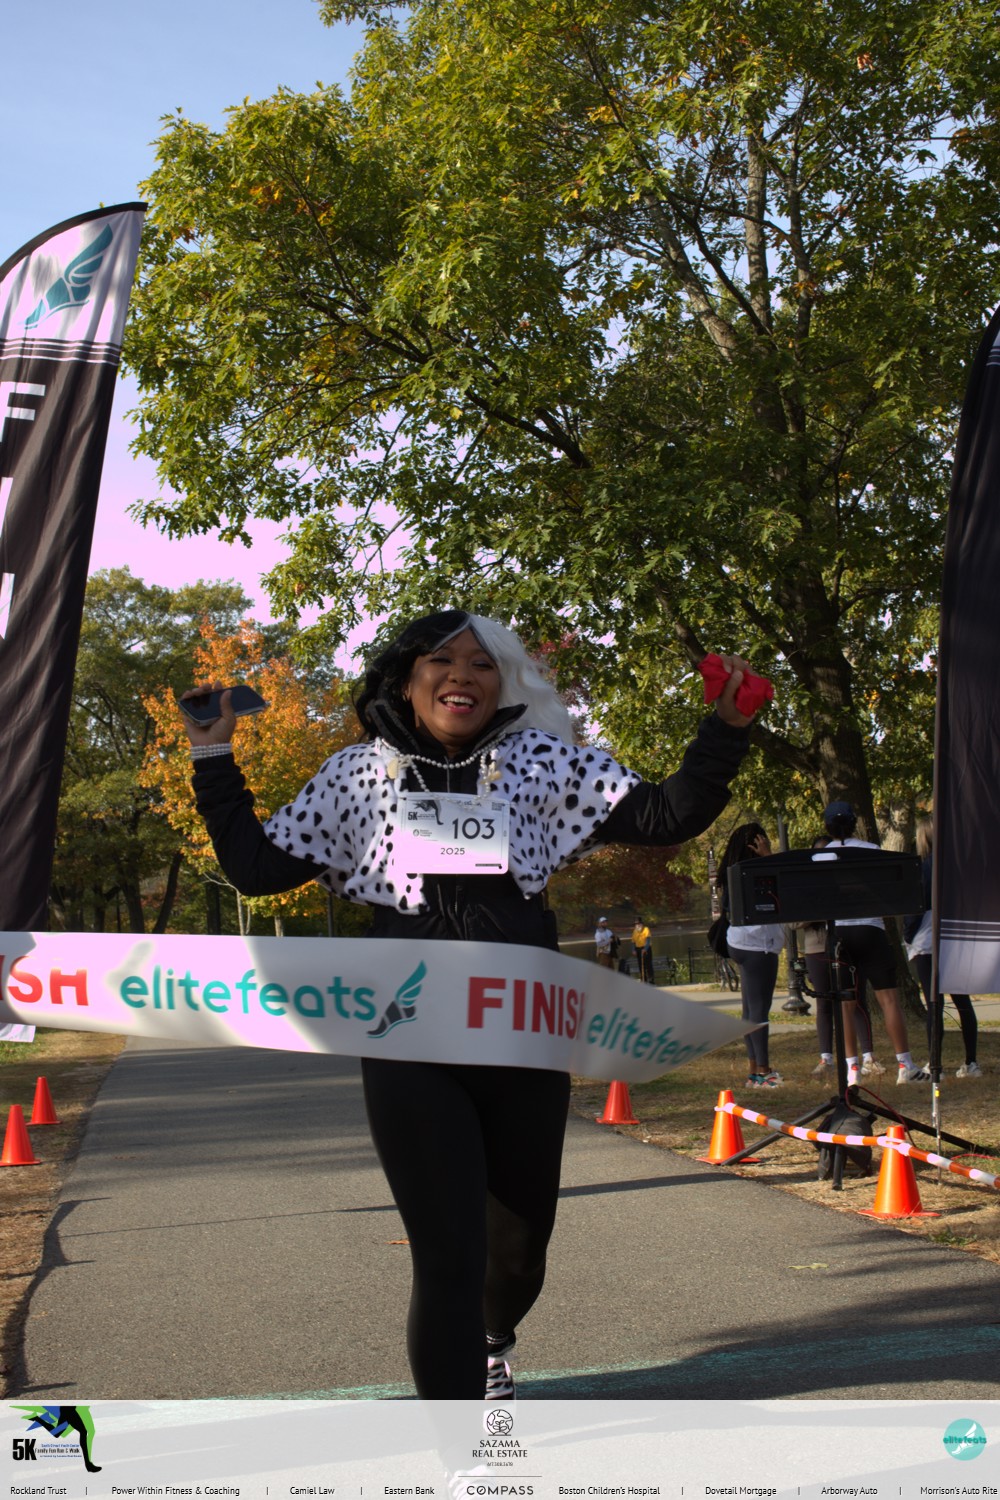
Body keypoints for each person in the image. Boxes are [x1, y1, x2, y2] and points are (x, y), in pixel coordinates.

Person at [182, 610, 761, 1400]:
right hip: (409, 1040)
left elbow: (669, 814)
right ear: (406, 679)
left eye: (482, 663)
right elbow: (255, 869)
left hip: (520, 1035)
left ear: (502, 683)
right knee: (447, 1255)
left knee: (519, 1252)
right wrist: (212, 755)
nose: (462, 674)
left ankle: (492, 1340)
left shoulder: (542, 762)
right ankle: (459, 1443)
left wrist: (726, 727)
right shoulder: (356, 774)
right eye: (441, 659)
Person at [821, 801, 927, 1086]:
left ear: (827, 827)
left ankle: (852, 1070)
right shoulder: (872, 850)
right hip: (871, 928)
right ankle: (905, 1064)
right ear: (854, 823)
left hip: (839, 932)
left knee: (846, 1004)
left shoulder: (820, 855)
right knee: (888, 999)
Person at [799, 837, 883, 1081]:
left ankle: (868, 1057)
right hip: (817, 948)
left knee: (855, 999)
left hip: (845, 944)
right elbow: (794, 921)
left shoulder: (845, 881)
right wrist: (821, 911)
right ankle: (826, 1057)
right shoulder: (808, 884)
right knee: (824, 1003)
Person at [904, 816, 980, 1078]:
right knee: (962, 1002)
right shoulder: (959, 868)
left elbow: (914, 911)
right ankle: (971, 1062)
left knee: (934, 1004)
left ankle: (934, 1064)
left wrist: (907, 935)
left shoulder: (923, 868)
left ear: (923, 837)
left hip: (927, 941)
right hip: (955, 940)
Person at [716, 823, 784, 1088]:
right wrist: (769, 857)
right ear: (757, 844)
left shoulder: (733, 872)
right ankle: (763, 1072)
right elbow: (782, 886)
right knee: (759, 1010)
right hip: (759, 943)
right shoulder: (759, 871)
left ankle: (754, 1069)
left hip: (739, 942)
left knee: (749, 1009)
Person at [631, 917, 654, 982]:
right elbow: (633, 942)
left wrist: (645, 949)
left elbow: (648, 940)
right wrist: (633, 950)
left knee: (648, 964)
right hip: (638, 949)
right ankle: (643, 979)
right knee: (640, 965)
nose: (637, 925)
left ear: (642, 924)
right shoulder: (634, 931)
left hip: (646, 949)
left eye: (639, 923)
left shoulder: (646, 929)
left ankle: (651, 978)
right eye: (636, 924)